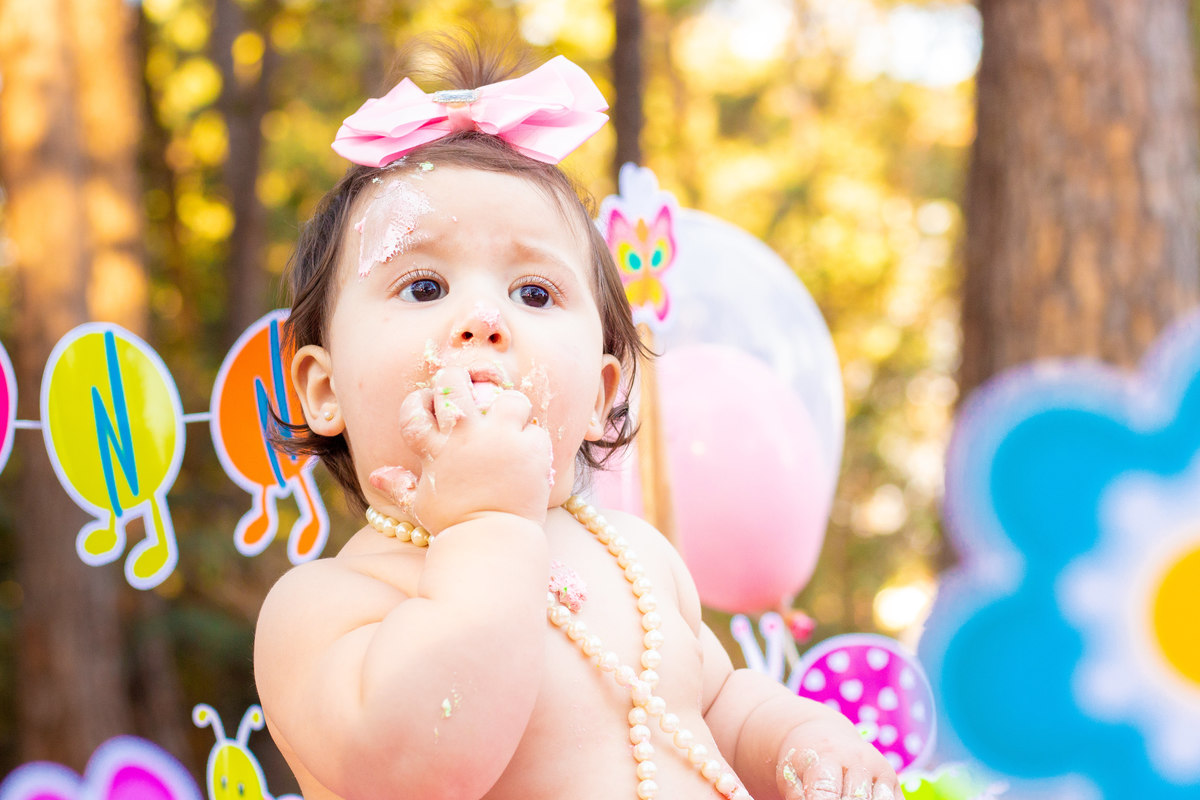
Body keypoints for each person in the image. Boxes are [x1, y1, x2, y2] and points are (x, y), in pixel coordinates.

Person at [254, 37, 903, 800]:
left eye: (534, 293)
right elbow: (416, 765)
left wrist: (801, 738)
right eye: (424, 286)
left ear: (601, 394)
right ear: (322, 387)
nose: (484, 318)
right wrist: (487, 522)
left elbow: (722, 706)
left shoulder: (638, 556)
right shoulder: (322, 607)